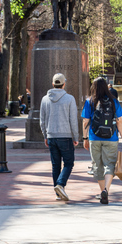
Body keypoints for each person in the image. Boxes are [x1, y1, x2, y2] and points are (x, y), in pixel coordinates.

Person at [82, 77, 122, 205]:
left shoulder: (90, 101)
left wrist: (84, 138)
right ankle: (106, 190)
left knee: (97, 165)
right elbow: (119, 121)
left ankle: (102, 191)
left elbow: (85, 121)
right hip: (111, 137)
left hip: (94, 137)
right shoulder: (113, 101)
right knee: (110, 164)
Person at [40, 73, 79, 202]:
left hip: (51, 136)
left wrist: (45, 135)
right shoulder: (69, 99)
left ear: (53, 84)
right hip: (65, 136)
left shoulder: (45, 99)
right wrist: (76, 136)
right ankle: (60, 185)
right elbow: (73, 119)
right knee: (69, 163)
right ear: (64, 84)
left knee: (55, 165)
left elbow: (42, 120)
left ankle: (58, 194)